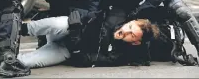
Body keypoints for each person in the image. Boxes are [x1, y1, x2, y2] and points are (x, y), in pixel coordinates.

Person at [16, 15, 157, 68]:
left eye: (132, 35)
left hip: (65, 50)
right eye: (130, 27)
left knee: (24, 63)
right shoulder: (116, 15)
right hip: (66, 29)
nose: (126, 31)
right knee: (61, 24)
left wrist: (76, 42)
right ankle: (19, 28)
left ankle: (3, 58)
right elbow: (89, 11)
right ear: (131, 21)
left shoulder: (118, 56)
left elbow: (83, 60)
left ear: (136, 42)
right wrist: (77, 21)